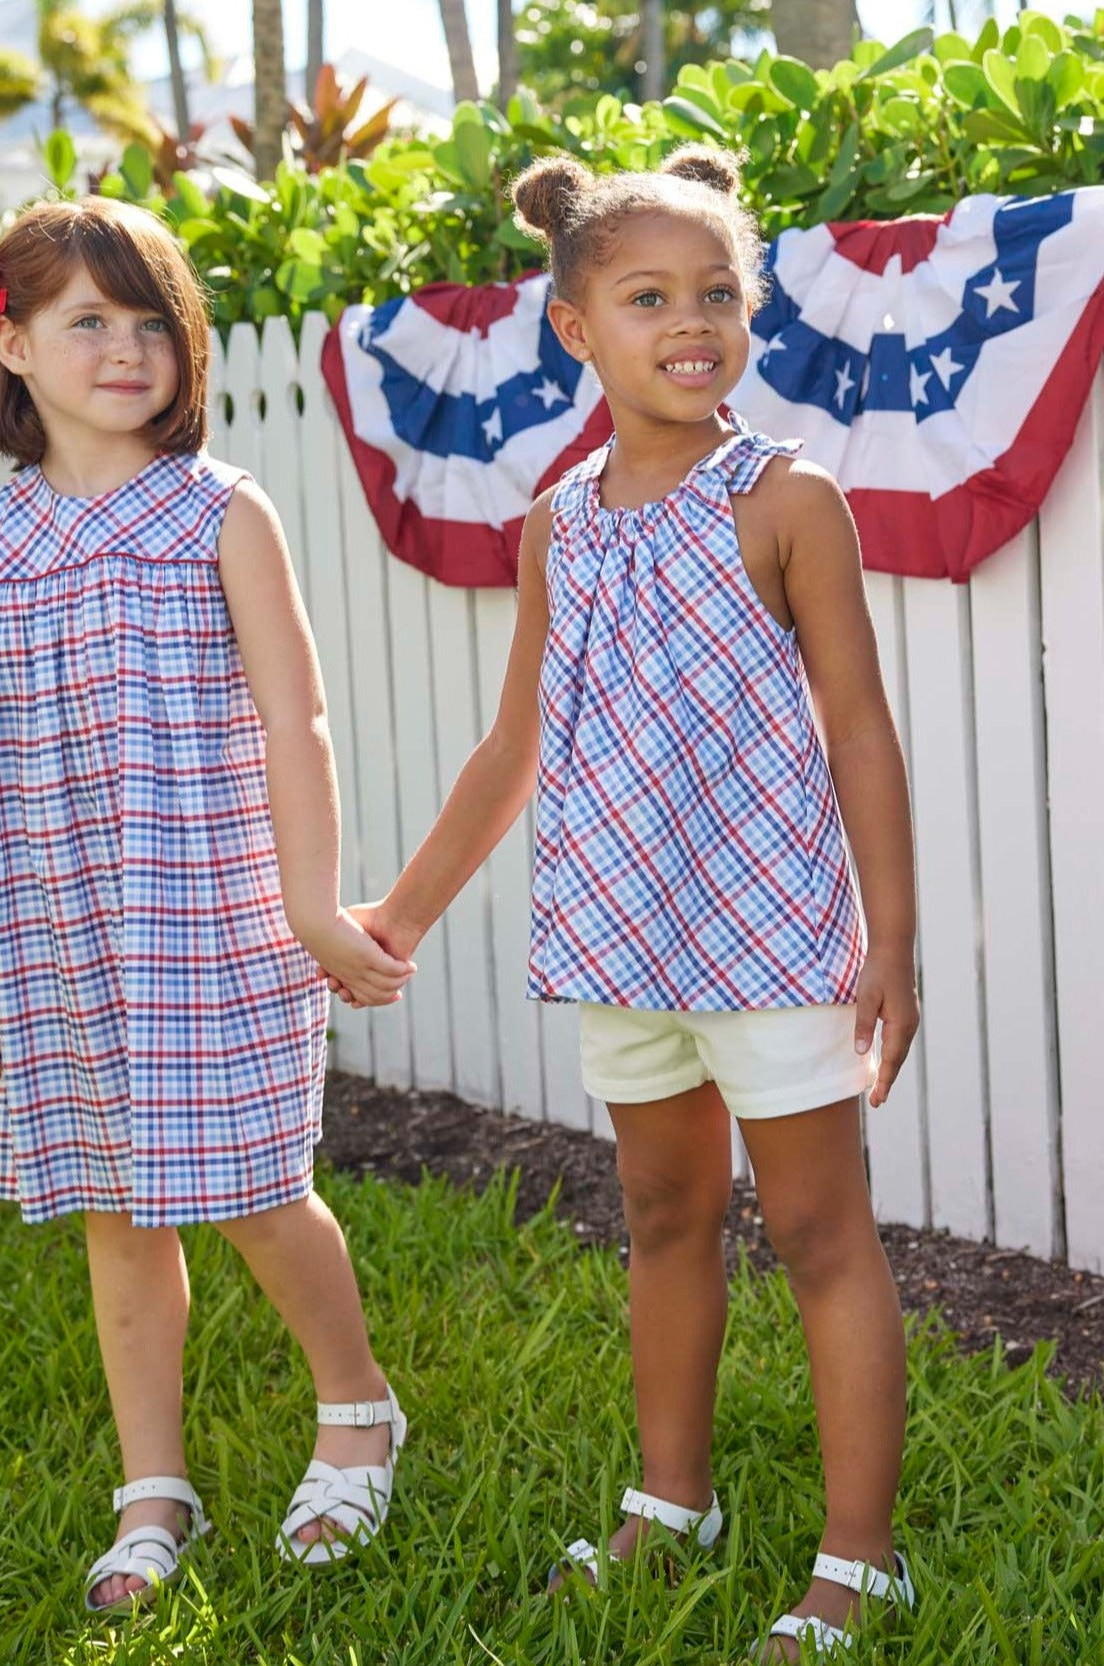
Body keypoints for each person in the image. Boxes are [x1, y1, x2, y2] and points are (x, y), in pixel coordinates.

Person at [329, 147, 920, 1660]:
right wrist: (394, 915)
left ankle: (860, 1556)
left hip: (770, 942)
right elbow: (515, 745)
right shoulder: (557, 524)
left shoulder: (786, 498)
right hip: (619, 939)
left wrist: (891, 938)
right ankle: (674, 1502)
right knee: (661, 1212)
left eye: (717, 292)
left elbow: (858, 725)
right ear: (574, 325)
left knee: (816, 1227)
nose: (691, 321)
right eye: (647, 295)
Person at [0, 198, 416, 1616]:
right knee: (110, 1203)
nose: (127, 347)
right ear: (12, 344)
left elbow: (297, 718)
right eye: (88, 320)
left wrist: (311, 902)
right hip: (58, 922)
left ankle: (356, 1403)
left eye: (152, 321)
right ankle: (153, 1483)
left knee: (260, 1188)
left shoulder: (219, 509)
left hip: (209, 909)